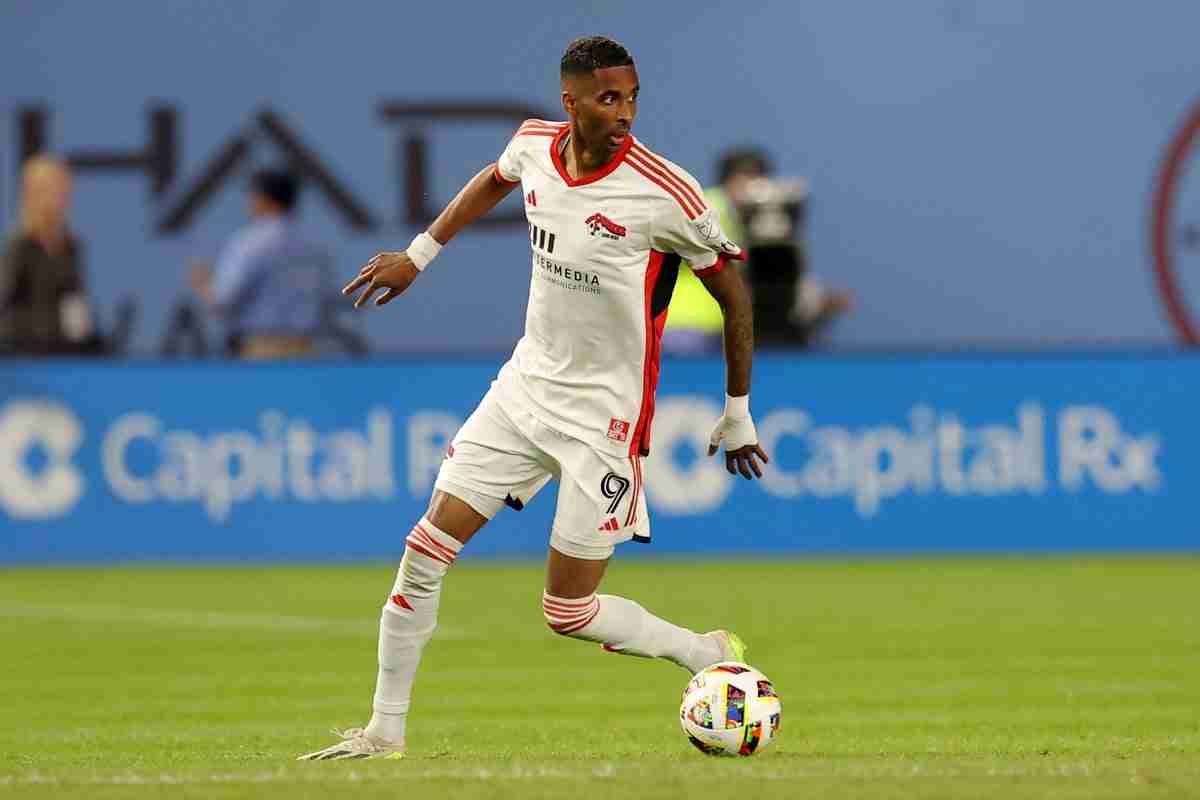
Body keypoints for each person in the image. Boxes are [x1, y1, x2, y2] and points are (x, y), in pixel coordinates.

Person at [299, 36, 770, 761]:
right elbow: (493, 179)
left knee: (567, 610)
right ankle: (384, 732)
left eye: (633, 96)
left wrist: (737, 409)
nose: (625, 112)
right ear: (571, 103)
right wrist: (418, 255)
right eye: (609, 98)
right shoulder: (534, 148)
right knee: (425, 548)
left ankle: (698, 649)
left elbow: (733, 291)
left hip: (603, 422)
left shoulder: (664, 191)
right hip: (523, 392)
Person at [663, 148, 852, 353]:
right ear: (727, 182)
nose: (752, 191)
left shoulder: (756, 218)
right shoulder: (704, 209)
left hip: (724, 332)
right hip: (685, 330)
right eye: (745, 181)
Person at [189, 168, 329, 359]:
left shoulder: (250, 243)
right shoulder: (313, 245)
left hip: (261, 350)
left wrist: (203, 283)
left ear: (264, 199)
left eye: (252, 195)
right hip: (306, 349)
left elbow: (223, 300)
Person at [0, 156, 103, 356]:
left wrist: (87, 337)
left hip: (66, 355)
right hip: (23, 357)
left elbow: (75, 302)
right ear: (33, 195)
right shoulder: (20, 247)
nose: (62, 197)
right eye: (53, 190)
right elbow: (5, 308)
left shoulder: (72, 247)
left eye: (64, 190)